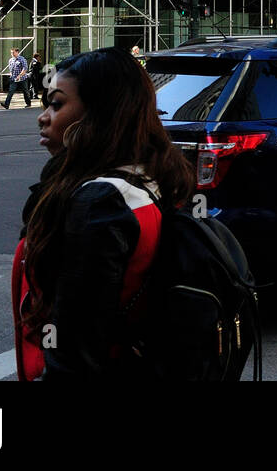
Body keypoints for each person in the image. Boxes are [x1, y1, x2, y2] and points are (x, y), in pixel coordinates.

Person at [13, 47, 195, 380]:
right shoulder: (146, 177)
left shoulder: (98, 201)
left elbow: (76, 349)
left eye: (56, 104)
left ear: (99, 114)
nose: (43, 117)